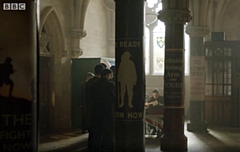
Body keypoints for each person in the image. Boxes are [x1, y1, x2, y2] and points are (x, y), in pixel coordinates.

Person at [90, 68, 115, 152]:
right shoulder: (110, 85)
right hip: (108, 112)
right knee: (108, 133)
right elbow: (114, 98)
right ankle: (108, 149)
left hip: (96, 112)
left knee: (97, 132)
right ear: (108, 75)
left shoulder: (94, 85)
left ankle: (96, 149)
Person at [85, 64, 105, 150]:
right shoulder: (99, 83)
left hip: (89, 110)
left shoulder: (89, 82)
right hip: (98, 111)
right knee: (98, 132)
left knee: (91, 132)